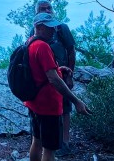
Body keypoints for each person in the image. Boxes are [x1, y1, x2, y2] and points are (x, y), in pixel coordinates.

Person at [25, 12, 90, 161]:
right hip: (48, 106)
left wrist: (59, 70)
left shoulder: (30, 42)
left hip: (34, 103)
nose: (53, 30)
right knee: (49, 150)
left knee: (37, 141)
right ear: (39, 27)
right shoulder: (43, 47)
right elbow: (53, 79)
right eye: (50, 27)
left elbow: (40, 71)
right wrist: (76, 101)